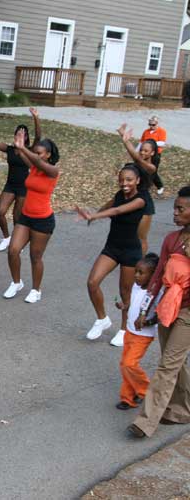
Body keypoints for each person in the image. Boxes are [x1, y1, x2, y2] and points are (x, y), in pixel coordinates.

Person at [129, 186, 190, 438]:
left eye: (180, 209)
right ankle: (183, 410)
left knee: (167, 366)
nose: (174, 213)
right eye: (175, 208)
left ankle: (145, 422)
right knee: (177, 361)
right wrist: (145, 310)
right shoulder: (171, 239)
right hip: (169, 308)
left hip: (189, 312)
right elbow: (156, 278)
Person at [79, 164, 147, 346]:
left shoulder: (141, 200)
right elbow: (111, 205)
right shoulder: (118, 196)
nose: (124, 183)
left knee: (125, 293)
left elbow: (117, 211)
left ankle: (124, 329)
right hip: (112, 248)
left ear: (138, 181)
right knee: (92, 282)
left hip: (131, 252)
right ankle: (102, 319)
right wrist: (94, 214)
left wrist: (95, 217)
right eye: (121, 179)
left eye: (129, 180)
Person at [2, 134, 60, 304]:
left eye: (40, 153)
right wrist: (19, 147)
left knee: (35, 257)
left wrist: (24, 149)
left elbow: (36, 161)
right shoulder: (34, 168)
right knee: (13, 250)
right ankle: (16, 282)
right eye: (36, 152)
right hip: (26, 217)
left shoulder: (53, 171)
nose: (37, 155)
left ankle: (36, 290)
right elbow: (28, 158)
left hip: (43, 220)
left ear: (48, 155)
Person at [0, 107, 41, 251]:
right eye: (17, 133)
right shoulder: (9, 149)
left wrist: (36, 118)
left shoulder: (30, 150)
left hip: (24, 188)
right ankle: (7, 238)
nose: (19, 136)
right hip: (10, 185)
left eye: (22, 134)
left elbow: (38, 136)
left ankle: (18, 242)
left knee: (17, 217)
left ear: (26, 138)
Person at [116, 253, 160, 410]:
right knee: (125, 365)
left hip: (143, 335)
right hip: (129, 330)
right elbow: (133, 302)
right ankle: (128, 397)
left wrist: (146, 322)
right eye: (136, 271)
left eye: (141, 273)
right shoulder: (136, 286)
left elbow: (160, 315)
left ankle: (147, 391)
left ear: (153, 275)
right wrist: (125, 306)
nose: (136, 275)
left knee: (129, 364)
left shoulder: (155, 293)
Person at [119, 123, 157, 253]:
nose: (142, 152)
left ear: (152, 153)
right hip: (130, 199)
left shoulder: (151, 167)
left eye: (146, 151)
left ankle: (140, 264)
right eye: (141, 149)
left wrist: (124, 138)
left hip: (144, 204)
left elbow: (135, 156)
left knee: (141, 238)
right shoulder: (136, 161)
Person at [139, 115, 166, 195]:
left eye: (153, 125)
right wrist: (136, 152)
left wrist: (151, 143)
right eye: (150, 124)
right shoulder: (146, 131)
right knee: (143, 169)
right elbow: (141, 142)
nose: (151, 126)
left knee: (153, 171)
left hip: (155, 155)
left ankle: (160, 186)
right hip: (145, 154)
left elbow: (162, 143)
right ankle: (144, 185)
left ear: (157, 124)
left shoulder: (161, 131)